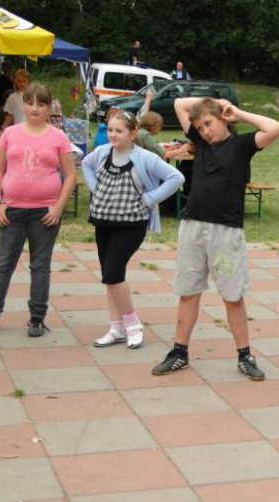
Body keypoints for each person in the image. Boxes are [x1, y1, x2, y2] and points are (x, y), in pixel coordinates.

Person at [151, 96, 279, 377]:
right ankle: (179, 351)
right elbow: (178, 104)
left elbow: (274, 127)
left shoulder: (242, 145)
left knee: (232, 295)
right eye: (199, 127)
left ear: (223, 119)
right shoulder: (199, 143)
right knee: (188, 291)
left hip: (226, 230)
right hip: (193, 227)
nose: (205, 131)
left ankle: (245, 355)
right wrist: (208, 103)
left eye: (209, 123)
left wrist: (236, 111)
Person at [82, 111, 184, 350]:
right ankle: (116, 327)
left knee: (113, 272)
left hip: (131, 225)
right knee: (111, 277)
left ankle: (133, 324)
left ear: (132, 133)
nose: (113, 135)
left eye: (119, 130)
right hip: (103, 222)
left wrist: (150, 198)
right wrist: (95, 189)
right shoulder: (102, 153)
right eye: (110, 130)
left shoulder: (145, 157)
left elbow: (175, 177)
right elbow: (85, 164)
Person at [0, 84, 77, 337]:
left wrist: (58, 207)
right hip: (11, 210)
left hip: (44, 213)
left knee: (40, 265)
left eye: (41, 104)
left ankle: (37, 317)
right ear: (23, 104)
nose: (35, 109)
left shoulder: (58, 137)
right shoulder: (10, 133)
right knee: (2, 264)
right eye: (30, 103)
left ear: (49, 108)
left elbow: (70, 175)